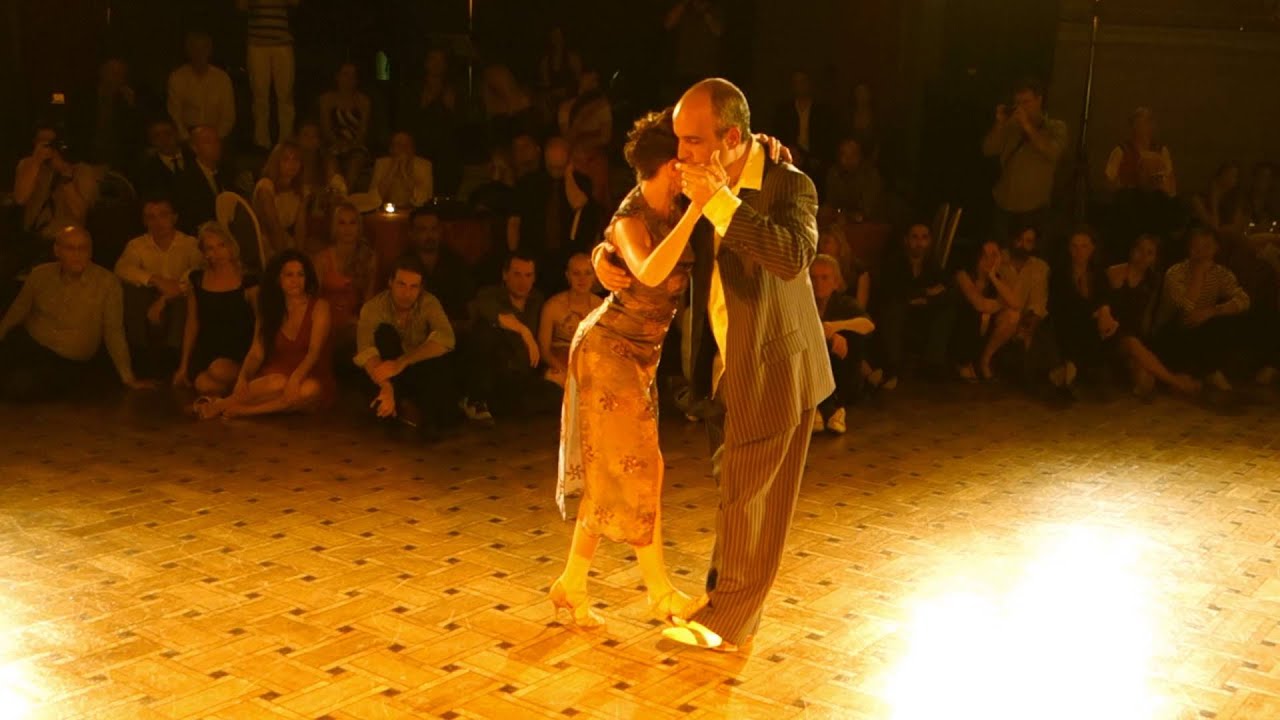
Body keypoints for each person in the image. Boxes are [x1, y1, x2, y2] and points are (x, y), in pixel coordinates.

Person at [594, 79, 832, 653]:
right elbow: (638, 210)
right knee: (735, 489)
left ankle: (728, 619)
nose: (682, 155)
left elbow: (792, 257)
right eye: (678, 140)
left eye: (694, 140)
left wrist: (722, 203)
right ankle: (724, 599)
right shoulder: (695, 182)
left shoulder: (787, 185)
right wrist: (603, 254)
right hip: (722, 368)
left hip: (776, 364)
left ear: (731, 138)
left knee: (753, 498)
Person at [552, 109, 705, 629]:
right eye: (684, 156)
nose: (692, 164)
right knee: (644, 468)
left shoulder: (681, 203)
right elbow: (651, 269)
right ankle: (659, 593)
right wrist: (694, 214)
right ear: (668, 164)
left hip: (642, 355)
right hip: (608, 349)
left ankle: (571, 584)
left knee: (614, 475)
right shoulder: (630, 217)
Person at [0, 226, 149, 401]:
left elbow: (113, 331)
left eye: (83, 248)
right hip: (31, 342)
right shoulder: (40, 274)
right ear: (57, 250)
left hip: (66, 360)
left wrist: (128, 377)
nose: (77, 254)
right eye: (70, 248)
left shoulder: (107, 283)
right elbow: (19, 309)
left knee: (20, 386)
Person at [196, 249, 335, 418]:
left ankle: (241, 410)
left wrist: (295, 379)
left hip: (309, 372)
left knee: (310, 390)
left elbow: (314, 352)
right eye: (289, 275)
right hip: (276, 373)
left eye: (300, 275)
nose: (295, 281)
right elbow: (256, 352)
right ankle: (225, 405)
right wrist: (243, 377)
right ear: (278, 279)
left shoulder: (320, 307)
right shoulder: (269, 309)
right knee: (278, 382)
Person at [354, 255, 457, 437]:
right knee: (384, 334)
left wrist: (402, 362)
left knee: (441, 365)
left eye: (413, 286)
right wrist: (386, 386)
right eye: (401, 284)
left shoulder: (429, 302)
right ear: (390, 283)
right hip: (385, 370)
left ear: (421, 288)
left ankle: (421, 414)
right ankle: (395, 405)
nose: (406, 293)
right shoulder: (373, 308)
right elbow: (366, 350)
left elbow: (446, 338)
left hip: (416, 366)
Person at [1103, 234, 1200, 397]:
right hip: (1112, 334)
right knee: (1132, 343)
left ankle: (1145, 375)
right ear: (1132, 251)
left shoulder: (1153, 281)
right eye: (1139, 250)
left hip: (1136, 337)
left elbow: (1152, 316)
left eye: (1149, 253)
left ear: (1154, 258)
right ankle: (1178, 383)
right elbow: (1102, 304)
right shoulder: (1114, 273)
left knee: (1145, 380)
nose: (1143, 256)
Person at [1155, 227, 1250, 392]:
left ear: (1216, 248)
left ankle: (1209, 371)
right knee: (1187, 328)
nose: (1202, 253)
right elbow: (1186, 308)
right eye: (1196, 247)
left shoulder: (1220, 273)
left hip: (1201, 328)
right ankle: (1195, 373)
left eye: (1207, 247)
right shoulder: (1175, 272)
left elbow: (1243, 300)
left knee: (1229, 320)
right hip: (1172, 331)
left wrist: (1212, 311)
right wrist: (1198, 273)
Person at [114, 197, 204, 372]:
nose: (158, 222)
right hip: (150, 298)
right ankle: (140, 354)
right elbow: (122, 268)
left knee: (185, 297)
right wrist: (155, 279)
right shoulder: (137, 245)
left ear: (174, 217)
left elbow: (196, 273)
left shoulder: (190, 244)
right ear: (144, 221)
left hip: (180, 298)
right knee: (132, 291)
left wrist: (164, 298)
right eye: (151, 217)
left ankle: (174, 356)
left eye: (163, 215)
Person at [175, 222, 259, 399]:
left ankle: (242, 385)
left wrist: (257, 356)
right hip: (208, 347)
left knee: (218, 370)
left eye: (221, 245)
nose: (217, 252)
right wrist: (183, 365)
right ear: (204, 253)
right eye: (210, 248)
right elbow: (192, 323)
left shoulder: (249, 279)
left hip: (239, 349)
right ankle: (233, 396)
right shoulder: (197, 279)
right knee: (202, 384)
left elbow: (262, 322)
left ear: (230, 246)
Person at [460, 253, 547, 421]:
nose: (523, 282)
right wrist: (524, 331)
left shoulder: (537, 299)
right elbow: (492, 313)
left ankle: (500, 406)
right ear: (505, 275)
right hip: (493, 371)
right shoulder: (489, 294)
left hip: (522, 373)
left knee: (551, 396)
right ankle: (476, 400)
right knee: (484, 330)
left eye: (528, 275)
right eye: (517, 274)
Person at [982, 78, 1067, 243]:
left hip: (1034, 208)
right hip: (1003, 205)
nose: (1021, 107)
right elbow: (988, 149)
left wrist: (1027, 126)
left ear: (1039, 99)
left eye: (1026, 102)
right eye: (1017, 102)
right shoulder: (1010, 126)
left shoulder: (1056, 127)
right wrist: (999, 124)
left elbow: (1053, 152)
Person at [874, 222, 953, 384]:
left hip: (923, 310)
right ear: (906, 240)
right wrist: (924, 292)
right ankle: (892, 367)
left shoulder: (932, 264)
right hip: (898, 309)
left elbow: (943, 288)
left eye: (924, 238)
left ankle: (933, 365)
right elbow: (892, 290)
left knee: (947, 310)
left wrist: (924, 297)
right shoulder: (895, 261)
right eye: (915, 237)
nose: (919, 243)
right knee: (894, 309)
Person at [810, 254, 874, 435]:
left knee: (854, 337)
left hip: (842, 373)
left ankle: (836, 408)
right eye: (813, 278)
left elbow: (868, 325)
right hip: (812, 371)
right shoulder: (804, 304)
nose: (818, 283)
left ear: (836, 282)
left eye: (824, 278)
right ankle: (823, 409)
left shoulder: (844, 303)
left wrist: (837, 327)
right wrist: (831, 336)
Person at [1103, 107, 1181, 254]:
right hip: (1130, 205)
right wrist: (1127, 185)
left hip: (1155, 204)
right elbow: (1109, 182)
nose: (1146, 127)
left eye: (1148, 123)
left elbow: (1171, 185)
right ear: (1133, 127)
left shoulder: (1161, 150)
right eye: (1141, 123)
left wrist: (1160, 185)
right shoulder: (1121, 151)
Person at [14, 125, 101, 245]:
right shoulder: (27, 164)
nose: (49, 147)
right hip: (32, 238)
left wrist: (65, 173)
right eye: (43, 142)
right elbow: (20, 199)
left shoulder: (83, 171)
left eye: (52, 143)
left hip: (67, 242)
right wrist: (36, 162)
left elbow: (81, 214)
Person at [1049, 228, 1109, 392]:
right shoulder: (1060, 274)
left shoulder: (1098, 273)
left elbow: (1104, 298)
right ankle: (1072, 368)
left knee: (1104, 324)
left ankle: (1072, 368)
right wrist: (1093, 310)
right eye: (1074, 246)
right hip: (1067, 325)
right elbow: (1060, 307)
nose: (1079, 251)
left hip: (1092, 326)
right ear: (1069, 249)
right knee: (1079, 324)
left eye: (1084, 246)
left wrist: (1104, 311)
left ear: (1092, 248)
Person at [312, 202, 376, 352]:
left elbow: (369, 299)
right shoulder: (322, 259)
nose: (347, 228)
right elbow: (313, 298)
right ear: (335, 228)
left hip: (354, 320)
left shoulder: (369, 257)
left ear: (359, 227)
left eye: (352, 223)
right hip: (325, 320)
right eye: (342, 223)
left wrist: (359, 321)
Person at [538, 252, 602, 387]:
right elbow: (544, 350)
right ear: (568, 276)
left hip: (591, 365)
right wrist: (566, 370)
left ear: (595, 276)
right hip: (560, 365)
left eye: (587, 273)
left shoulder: (601, 307)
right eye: (576, 273)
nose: (582, 279)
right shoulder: (552, 306)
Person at [240, 0, 298, 149]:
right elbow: (241, 5)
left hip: (282, 42)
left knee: (285, 95)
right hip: (257, 43)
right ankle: (261, 141)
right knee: (259, 95)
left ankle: (285, 141)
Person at [951, 239, 1009, 381]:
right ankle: (963, 362)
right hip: (960, 324)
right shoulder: (963, 275)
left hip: (983, 328)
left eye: (994, 255)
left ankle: (983, 361)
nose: (989, 260)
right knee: (975, 313)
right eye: (985, 256)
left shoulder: (997, 279)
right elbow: (978, 303)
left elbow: (1014, 302)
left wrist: (993, 278)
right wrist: (998, 305)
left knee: (1006, 316)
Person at [408, 208, 473, 326]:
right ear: (412, 233)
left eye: (434, 229)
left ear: (440, 231)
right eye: (423, 230)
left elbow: (468, 303)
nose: (430, 235)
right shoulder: (403, 264)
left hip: (453, 328)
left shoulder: (456, 262)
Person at [167, 30, 236, 141]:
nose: (199, 53)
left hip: (216, 134)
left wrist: (215, 138)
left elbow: (228, 116)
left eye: (203, 48)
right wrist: (187, 138)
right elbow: (174, 114)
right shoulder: (177, 77)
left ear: (210, 50)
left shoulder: (222, 78)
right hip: (188, 134)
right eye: (194, 48)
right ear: (188, 51)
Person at [772, 70, 837, 177]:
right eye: (797, 82)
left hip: (815, 160)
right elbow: (779, 134)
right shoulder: (785, 111)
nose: (800, 86)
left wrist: (816, 158)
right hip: (791, 158)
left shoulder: (821, 111)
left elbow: (826, 136)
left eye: (803, 82)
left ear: (810, 84)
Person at [318, 62, 372, 190]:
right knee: (331, 162)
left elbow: (363, 129)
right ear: (337, 77)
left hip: (356, 144)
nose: (350, 79)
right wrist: (337, 143)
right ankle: (334, 197)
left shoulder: (363, 101)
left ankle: (347, 198)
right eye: (346, 74)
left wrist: (352, 145)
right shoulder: (326, 99)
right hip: (332, 143)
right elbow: (326, 127)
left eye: (353, 75)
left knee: (355, 161)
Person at [254, 140, 308, 256]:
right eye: (286, 159)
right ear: (276, 162)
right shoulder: (266, 187)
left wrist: (300, 255)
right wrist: (284, 258)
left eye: (296, 159)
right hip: (263, 242)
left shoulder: (300, 190)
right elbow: (273, 226)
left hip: (284, 238)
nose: (292, 164)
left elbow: (300, 228)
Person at [174, 126, 229, 235]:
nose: (215, 146)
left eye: (217, 141)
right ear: (194, 147)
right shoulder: (184, 181)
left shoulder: (227, 172)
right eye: (208, 142)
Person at [824, 137, 883, 222]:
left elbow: (866, 212)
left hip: (872, 223)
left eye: (853, 154)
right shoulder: (834, 173)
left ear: (860, 156)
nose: (849, 159)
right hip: (841, 221)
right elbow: (831, 203)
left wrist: (844, 214)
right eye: (844, 154)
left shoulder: (871, 175)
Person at [370, 131, 434, 209]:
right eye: (398, 144)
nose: (403, 149)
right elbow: (373, 199)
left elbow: (423, 199)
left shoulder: (424, 166)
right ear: (391, 149)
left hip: (415, 212)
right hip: (385, 212)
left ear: (413, 149)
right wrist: (392, 170)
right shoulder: (381, 164)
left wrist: (404, 173)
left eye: (406, 145)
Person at [133, 118, 195, 198]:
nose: (163, 139)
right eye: (156, 136)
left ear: (177, 134)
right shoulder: (148, 170)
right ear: (151, 140)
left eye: (168, 133)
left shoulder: (194, 157)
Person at [1191, 164, 1246, 240]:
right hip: (1204, 241)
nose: (1230, 178)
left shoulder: (1235, 200)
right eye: (1228, 174)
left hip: (1226, 240)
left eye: (1234, 176)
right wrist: (1214, 198)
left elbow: (1236, 226)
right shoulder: (1197, 199)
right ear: (1219, 175)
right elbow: (1213, 226)